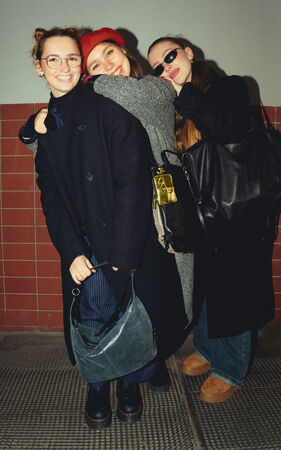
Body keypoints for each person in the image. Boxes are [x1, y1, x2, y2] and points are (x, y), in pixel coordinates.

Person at [20, 27, 190, 429]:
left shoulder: (111, 102)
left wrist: (122, 253)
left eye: (73, 58)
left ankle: (131, 379)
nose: (65, 66)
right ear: (39, 67)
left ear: (83, 67)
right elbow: (50, 194)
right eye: (53, 59)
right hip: (84, 241)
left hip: (130, 234)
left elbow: (131, 184)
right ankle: (98, 383)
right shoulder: (48, 122)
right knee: (94, 314)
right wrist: (71, 251)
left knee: (133, 312)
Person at [148, 37, 276, 403]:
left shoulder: (230, 86)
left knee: (234, 292)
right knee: (205, 288)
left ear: (189, 53)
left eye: (170, 56)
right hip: (203, 216)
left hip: (239, 213)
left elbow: (227, 128)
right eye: (157, 66)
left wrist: (182, 95)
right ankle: (206, 349)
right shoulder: (174, 104)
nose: (165, 67)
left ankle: (231, 368)